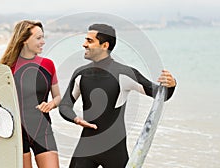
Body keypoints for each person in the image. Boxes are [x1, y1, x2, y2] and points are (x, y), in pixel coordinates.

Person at [59, 23, 176, 168]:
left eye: (89, 41)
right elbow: (65, 105)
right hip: (86, 148)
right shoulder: (80, 74)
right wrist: (76, 119)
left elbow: (161, 95)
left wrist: (171, 84)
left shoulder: (124, 73)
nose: (84, 45)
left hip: (114, 151)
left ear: (104, 45)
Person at [0, 20, 61, 168]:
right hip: (16, 134)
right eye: (38, 38)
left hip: (43, 130)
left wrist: (51, 104)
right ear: (25, 39)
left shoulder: (48, 64)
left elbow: (58, 97)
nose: (43, 42)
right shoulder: (6, 68)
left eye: (43, 37)